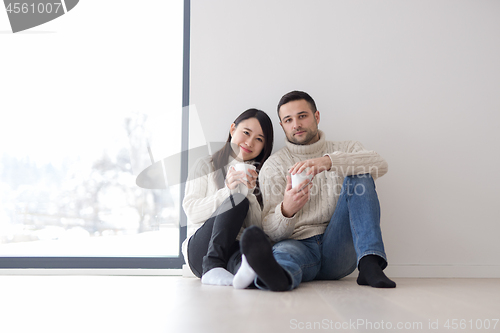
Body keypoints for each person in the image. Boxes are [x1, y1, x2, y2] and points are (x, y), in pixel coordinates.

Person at [235, 91, 396, 291]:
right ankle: (278, 276)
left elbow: (380, 164)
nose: (296, 125)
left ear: (316, 117)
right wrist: (287, 210)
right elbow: (271, 231)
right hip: (298, 245)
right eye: (288, 120)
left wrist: (328, 162)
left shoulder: (346, 148)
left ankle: (370, 263)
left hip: (339, 245)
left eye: (302, 116)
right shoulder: (274, 165)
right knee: (283, 253)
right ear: (282, 126)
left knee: (361, 174)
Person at [182, 108, 274, 286]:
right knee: (236, 200)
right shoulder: (206, 165)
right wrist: (227, 191)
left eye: (259, 139)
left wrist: (252, 194)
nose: (249, 142)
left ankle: (251, 275)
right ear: (233, 130)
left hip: (233, 249)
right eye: (246, 133)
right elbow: (192, 212)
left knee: (248, 268)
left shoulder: (262, 176)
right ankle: (212, 266)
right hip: (200, 251)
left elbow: (256, 230)